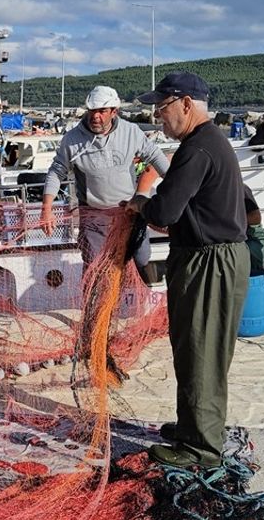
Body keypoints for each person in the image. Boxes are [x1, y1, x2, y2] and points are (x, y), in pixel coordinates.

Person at [127, 72, 249, 469]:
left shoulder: (198, 149)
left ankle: (201, 448)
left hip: (209, 263)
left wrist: (139, 202)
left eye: (161, 108)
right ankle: (192, 426)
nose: (157, 117)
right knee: (192, 347)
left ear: (185, 104)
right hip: (210, 257)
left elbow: (164, 212)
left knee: (202, 352)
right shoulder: (209, 143)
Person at [40, 85, 170, 281]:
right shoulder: (72, 139)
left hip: (129, 210)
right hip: (94, 214)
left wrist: (174, 186)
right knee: (96, 267)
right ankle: (98, 299)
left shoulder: (131, 132)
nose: (95, 116)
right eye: (92, 110)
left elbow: (154, 155)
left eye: (102, 111)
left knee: (141, 258)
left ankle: (125, 293)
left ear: (114, 112)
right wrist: (47, 208)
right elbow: (56, 171)